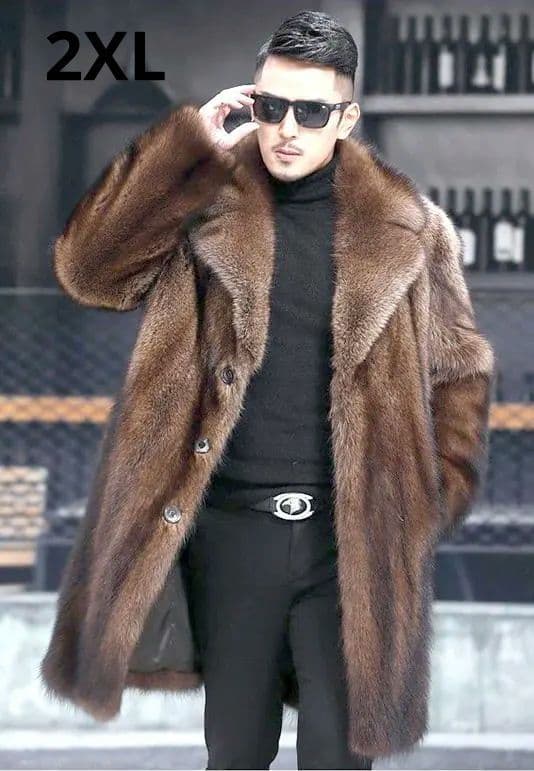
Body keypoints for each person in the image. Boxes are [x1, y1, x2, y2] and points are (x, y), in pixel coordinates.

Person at [40, 10, 495, 771]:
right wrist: (187, 149)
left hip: (350, 544)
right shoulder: (200, 204)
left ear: (345, 117)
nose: (287, 128)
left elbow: (460, 374)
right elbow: (89, 273)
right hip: (230, 535)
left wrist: (422, 504)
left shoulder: (413, 229)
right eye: (271, 105)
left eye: (311, 112)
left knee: (337, 757)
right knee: (234, 754)